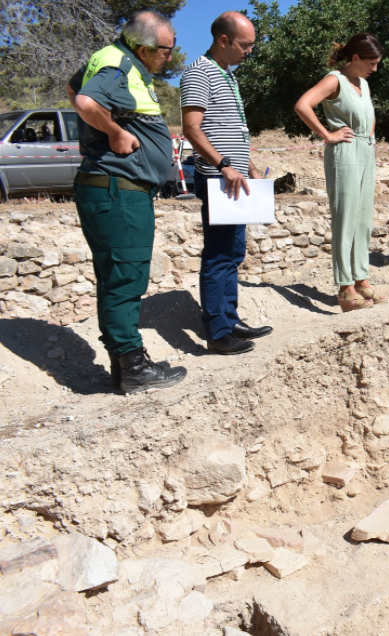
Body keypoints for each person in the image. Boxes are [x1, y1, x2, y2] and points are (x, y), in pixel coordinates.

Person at [66, 10, 187, 394]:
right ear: (142, 47)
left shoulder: (112, 59)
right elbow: (85, 100)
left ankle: (125, 364)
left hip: (113, 188)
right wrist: (115, 133)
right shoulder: (119, 64)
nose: (170, 56)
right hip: (118, 189)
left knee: (115, 277)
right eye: (166, 49)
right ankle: (133, 367)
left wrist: (106, 129)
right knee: (125, 278)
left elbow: (72, 87)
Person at [181, 12, 272, 354]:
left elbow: (231, 132)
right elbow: (192, 129)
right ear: (224, 40)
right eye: (245, 45)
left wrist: (249, 167)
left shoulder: (227, 74)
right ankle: (217, 332)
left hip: (234, 177)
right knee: (218, 254)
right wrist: (224, 165)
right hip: (218, 179)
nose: (250, 51)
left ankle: (230, 319)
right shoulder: (199, 72)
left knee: (233, 252)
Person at [293, 33, 386, 312]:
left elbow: (369, 114)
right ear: (355, 58)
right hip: (344, 152)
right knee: (345, 218)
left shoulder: (364, 84)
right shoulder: (335, 80)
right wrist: (327, 134)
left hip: (365, 150)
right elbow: (302, 105)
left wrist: (369, 138)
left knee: (363, 219)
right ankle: (345, 289)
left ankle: (361, 280)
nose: (375, 68)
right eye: (371, 63)